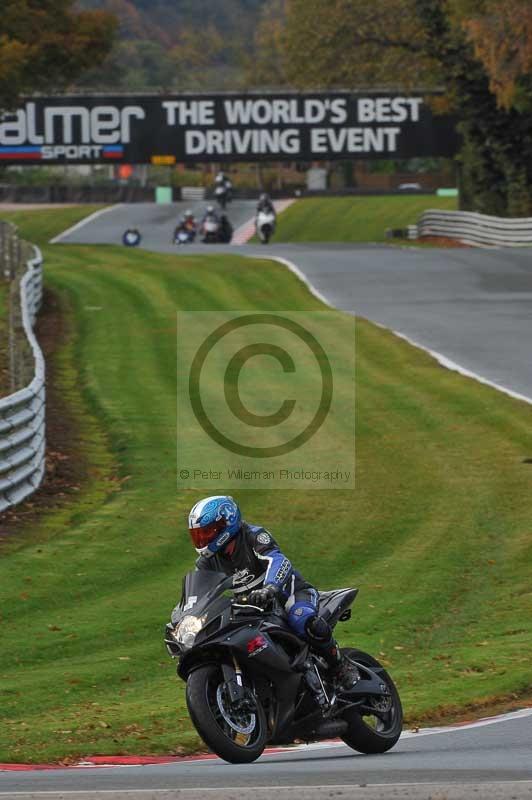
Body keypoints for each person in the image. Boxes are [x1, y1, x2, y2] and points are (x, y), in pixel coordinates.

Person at [186, 495, 359, 698]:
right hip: (253, 608)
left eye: (207, 532)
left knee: (301, 618)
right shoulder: (207, 562)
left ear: (227, 522)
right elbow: (199, 591)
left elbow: (278, 560)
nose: (202, 539)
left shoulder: (253, 536)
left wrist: (269, 588)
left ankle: (340, 666)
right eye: (198, 535)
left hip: (290, 594)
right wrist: (188, 615)